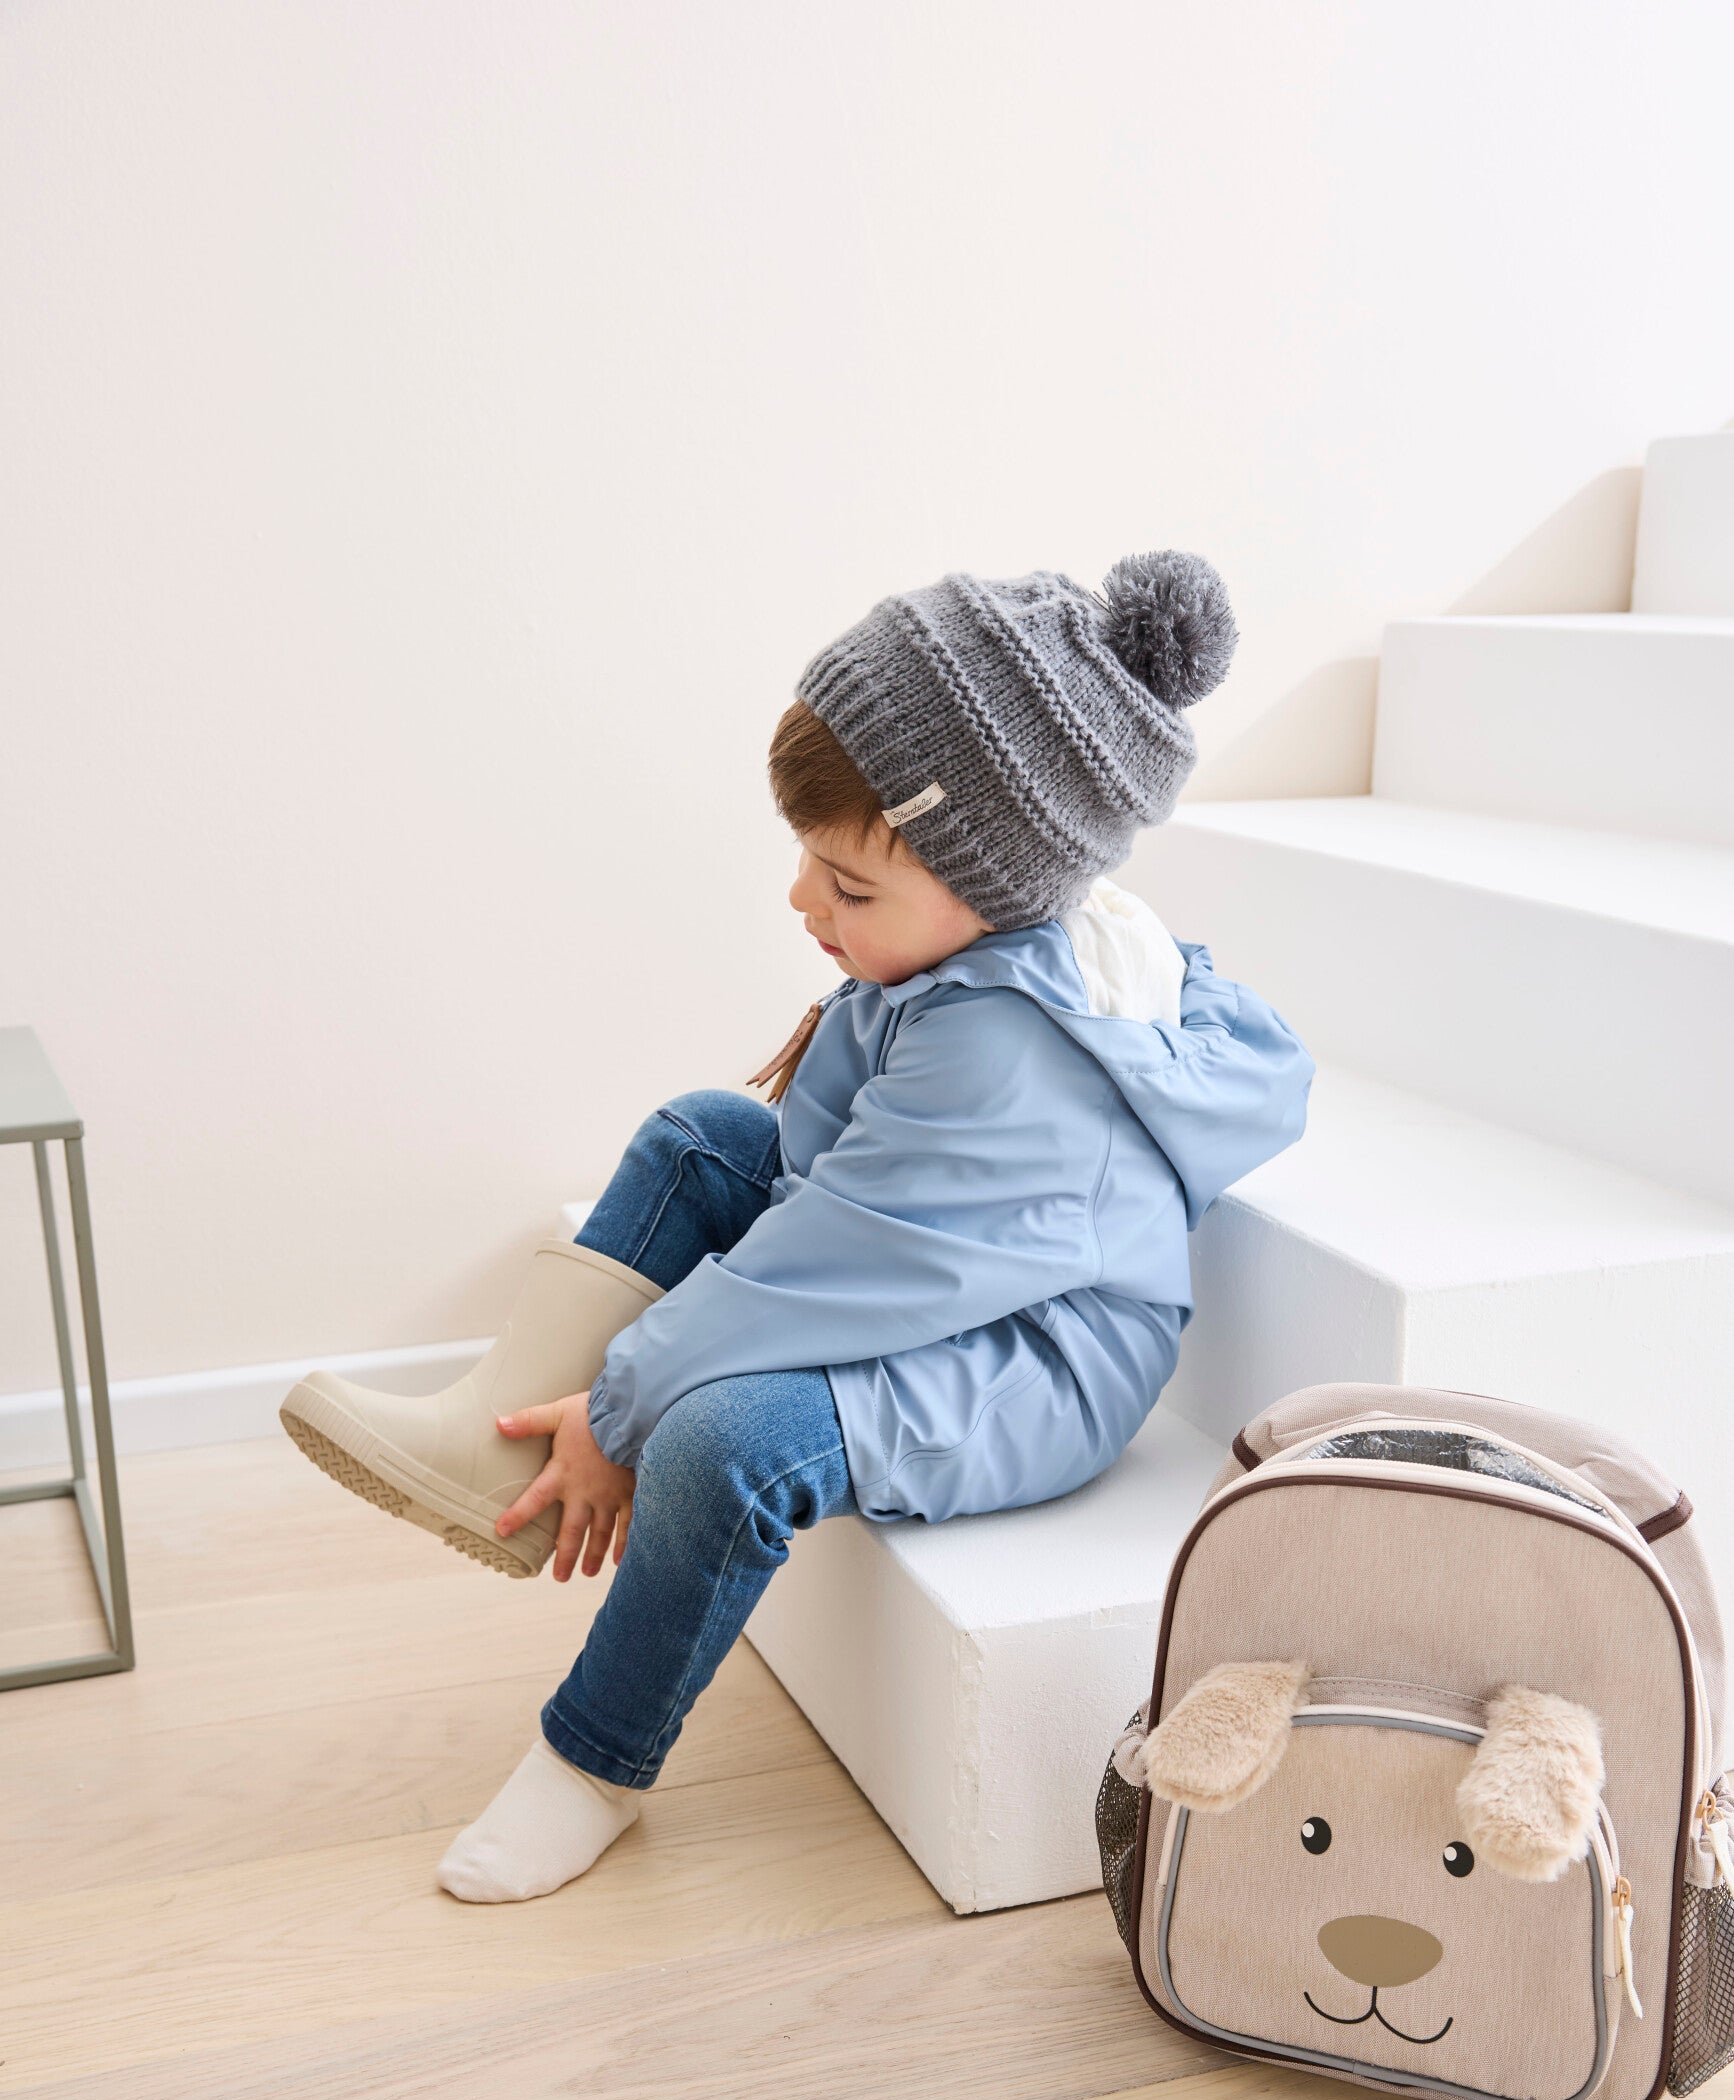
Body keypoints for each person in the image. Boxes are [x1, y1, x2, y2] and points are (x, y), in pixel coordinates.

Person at [281, 549, 1314, 1902]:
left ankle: (593, 1762)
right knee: (703, 1134)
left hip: (1031, 1357)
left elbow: (837, 1259)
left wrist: (624, 1403)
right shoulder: (972, 957)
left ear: (993, 886)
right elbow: (842, 1206)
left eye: (848, 886)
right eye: (808, 863)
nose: (800, 902)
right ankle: (498, 1442)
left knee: (724, 1440)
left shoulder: (1009, 1057)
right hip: (925, 1269)